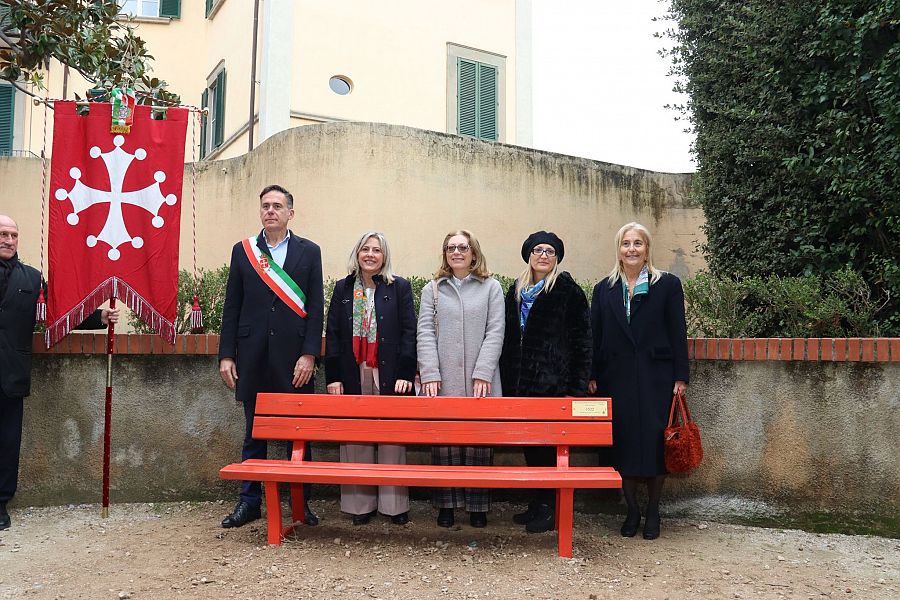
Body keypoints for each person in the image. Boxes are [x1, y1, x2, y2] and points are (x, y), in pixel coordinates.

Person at [0, 214, 117, 531]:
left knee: (7, 443)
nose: (9, 240)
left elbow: (62, 311)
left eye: (13, 235)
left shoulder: (31, 279)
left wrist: (99, 317)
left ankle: (1, 504)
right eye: (3, 234)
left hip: (10, 375)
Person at [218, 185, 325, 529]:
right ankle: (249, 502)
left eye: (278, 206)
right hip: (252, 357)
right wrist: (226, 355)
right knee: (254, 433)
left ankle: (301, 504)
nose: (271, 211)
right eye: (265, 206)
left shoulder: (310, 251)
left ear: (290, 213)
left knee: (298, 434)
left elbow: (315, 307)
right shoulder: (244, 251)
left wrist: (310, 354)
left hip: (294, 361)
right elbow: (232, 306)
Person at [588, 222, 689, 540]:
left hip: (656, 378)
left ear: (647, 249)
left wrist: (681, 375)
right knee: (623, 446)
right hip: (615, 379)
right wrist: (591, 374)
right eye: (626, 243)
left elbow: (678, 331)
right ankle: (631, 510)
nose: (631, 249)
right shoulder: (603, 289)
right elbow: (594, 336)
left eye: (637, 243)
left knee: (656, 445)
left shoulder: (667, 284)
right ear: (618, 250)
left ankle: (654, 511)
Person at [499, 231, 592, 533]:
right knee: (531, 448)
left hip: (553, 388)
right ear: (528, 255)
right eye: (538, 250)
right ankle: (538, 503)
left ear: (556, 258)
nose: (543, 255)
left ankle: (552, 508)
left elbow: (582, 342)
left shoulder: (568, 292)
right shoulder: (516, 290)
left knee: (550, 451)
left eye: (550, 251)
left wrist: (575, 389)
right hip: (521, 386)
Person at [325, 231, 416, 526]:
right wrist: (333, 377)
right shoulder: (343, 288)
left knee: (392, 437)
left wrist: (406, 373)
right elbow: (334, 334)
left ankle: (394, 506)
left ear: (384, 256)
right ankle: (360, 506)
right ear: (357, 253)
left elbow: (409, 333)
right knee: (356, 436)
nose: (370, 255)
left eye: (377, 250)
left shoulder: (399, 287)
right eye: (365, 249)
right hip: (353, 370)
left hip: (389, 372)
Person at [417, 229, 504, 529]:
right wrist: (430, 372)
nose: (456, 252)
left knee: (480, 441)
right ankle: (447, 505)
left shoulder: (491, 287)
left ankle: (478, 507)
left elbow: (496, 331)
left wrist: (483, 371)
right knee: (445, 442)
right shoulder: (432, 289)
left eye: (463, 247)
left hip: (481, 379)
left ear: (473, 253)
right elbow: (425, 333)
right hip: (443, 379)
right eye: (450, 247)